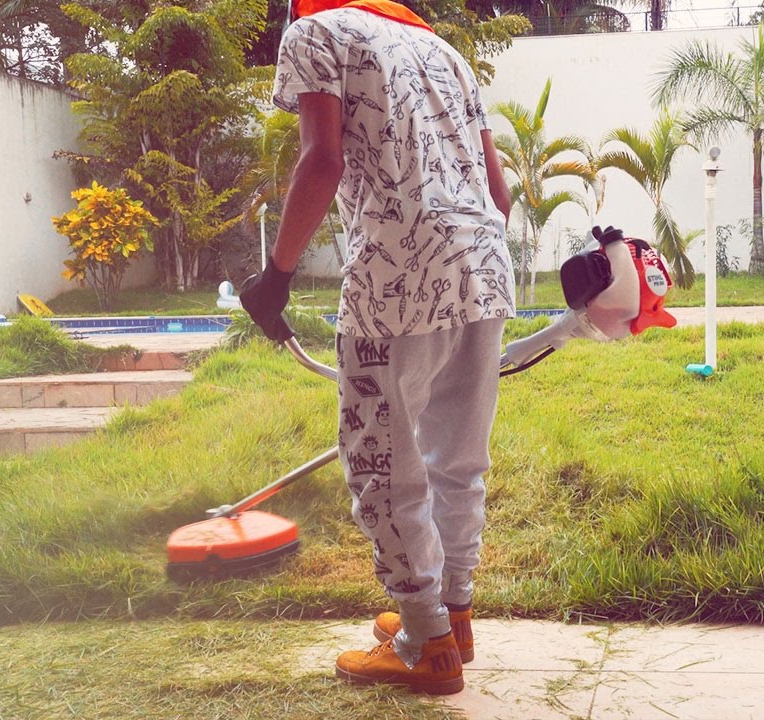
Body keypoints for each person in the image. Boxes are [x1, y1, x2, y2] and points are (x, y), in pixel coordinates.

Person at [239, 0, 514, 696]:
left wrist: (275, 278)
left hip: (396, 277)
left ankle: (425, 643)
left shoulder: (316, 32)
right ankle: (454, 616)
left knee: (381, 466)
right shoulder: (445, 52)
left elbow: (322, 161)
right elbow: (499, 193)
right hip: (483, 266)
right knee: (458, 460)